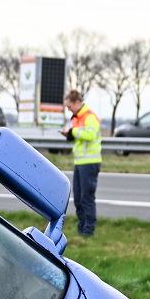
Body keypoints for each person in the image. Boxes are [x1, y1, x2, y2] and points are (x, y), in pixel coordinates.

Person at [61, 88, 102, 237]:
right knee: (78, 198)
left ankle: (88, 230)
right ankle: (82, 228)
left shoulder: (89, 116)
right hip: (79, 162)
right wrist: (70, 135)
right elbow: (80, 136)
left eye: (69, 106)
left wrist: (73, 132)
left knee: (86, 198)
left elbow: (90, 135)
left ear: (77, 102)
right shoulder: (76, 117)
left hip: (90, 163)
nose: (68, 110)